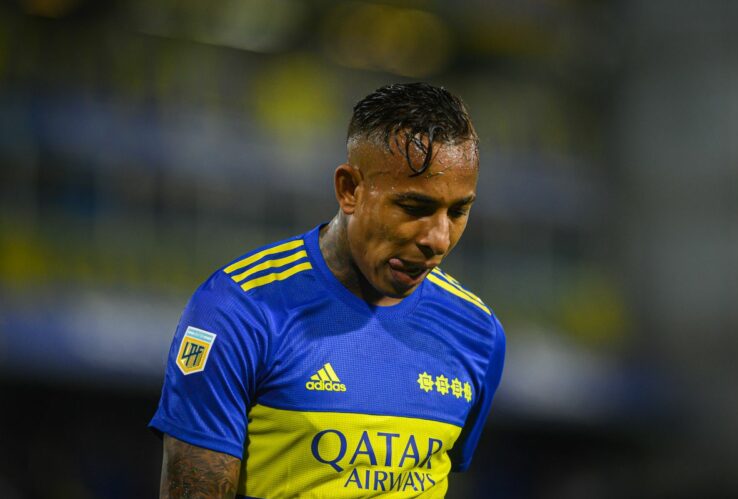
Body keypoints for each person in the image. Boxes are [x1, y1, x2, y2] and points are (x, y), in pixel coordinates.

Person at [149, 82, 506, 498]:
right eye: (414, 208)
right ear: (349, 189)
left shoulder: (478, 333)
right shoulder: (237, 312)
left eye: (458, 211)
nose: (439, 239)